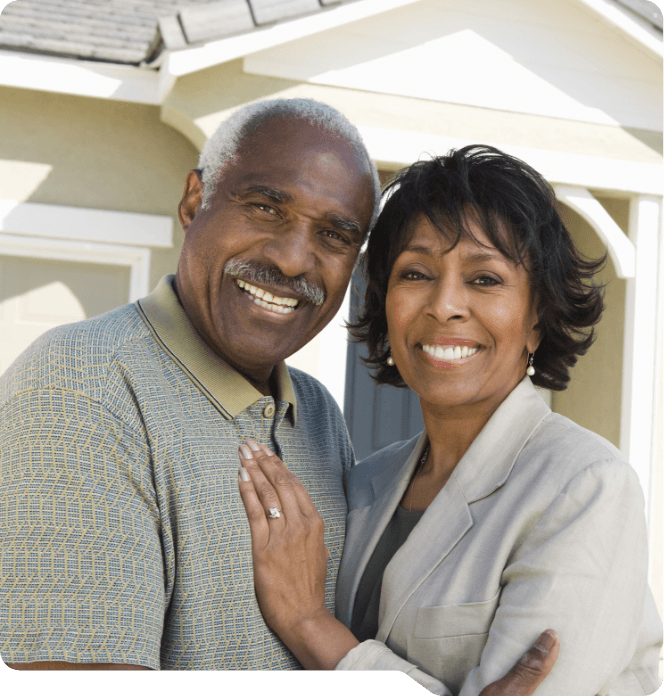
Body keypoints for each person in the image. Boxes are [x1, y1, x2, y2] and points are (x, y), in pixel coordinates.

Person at [0, 98, 559, 690]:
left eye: (335, 235)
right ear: (195, 200)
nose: (293, 258)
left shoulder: (316, 414)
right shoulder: (81, 388)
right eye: (266, 208)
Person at [237, 146, 663, 694]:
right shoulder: (365, 484)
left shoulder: (584, 486)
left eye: (485, 279)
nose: (444, 305)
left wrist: (307, 623)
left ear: (537, 317)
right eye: (416, 273)